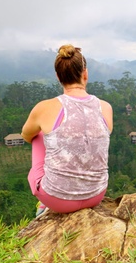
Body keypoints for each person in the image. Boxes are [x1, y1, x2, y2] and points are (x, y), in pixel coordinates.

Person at [21, 44, 113, 216]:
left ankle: (42, 205)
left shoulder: (44, 108)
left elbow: (26, 135)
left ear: (58, 77)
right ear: (85, 74)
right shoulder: (105, 108)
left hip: (56, 199)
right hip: (96, 195)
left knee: (38, 134)